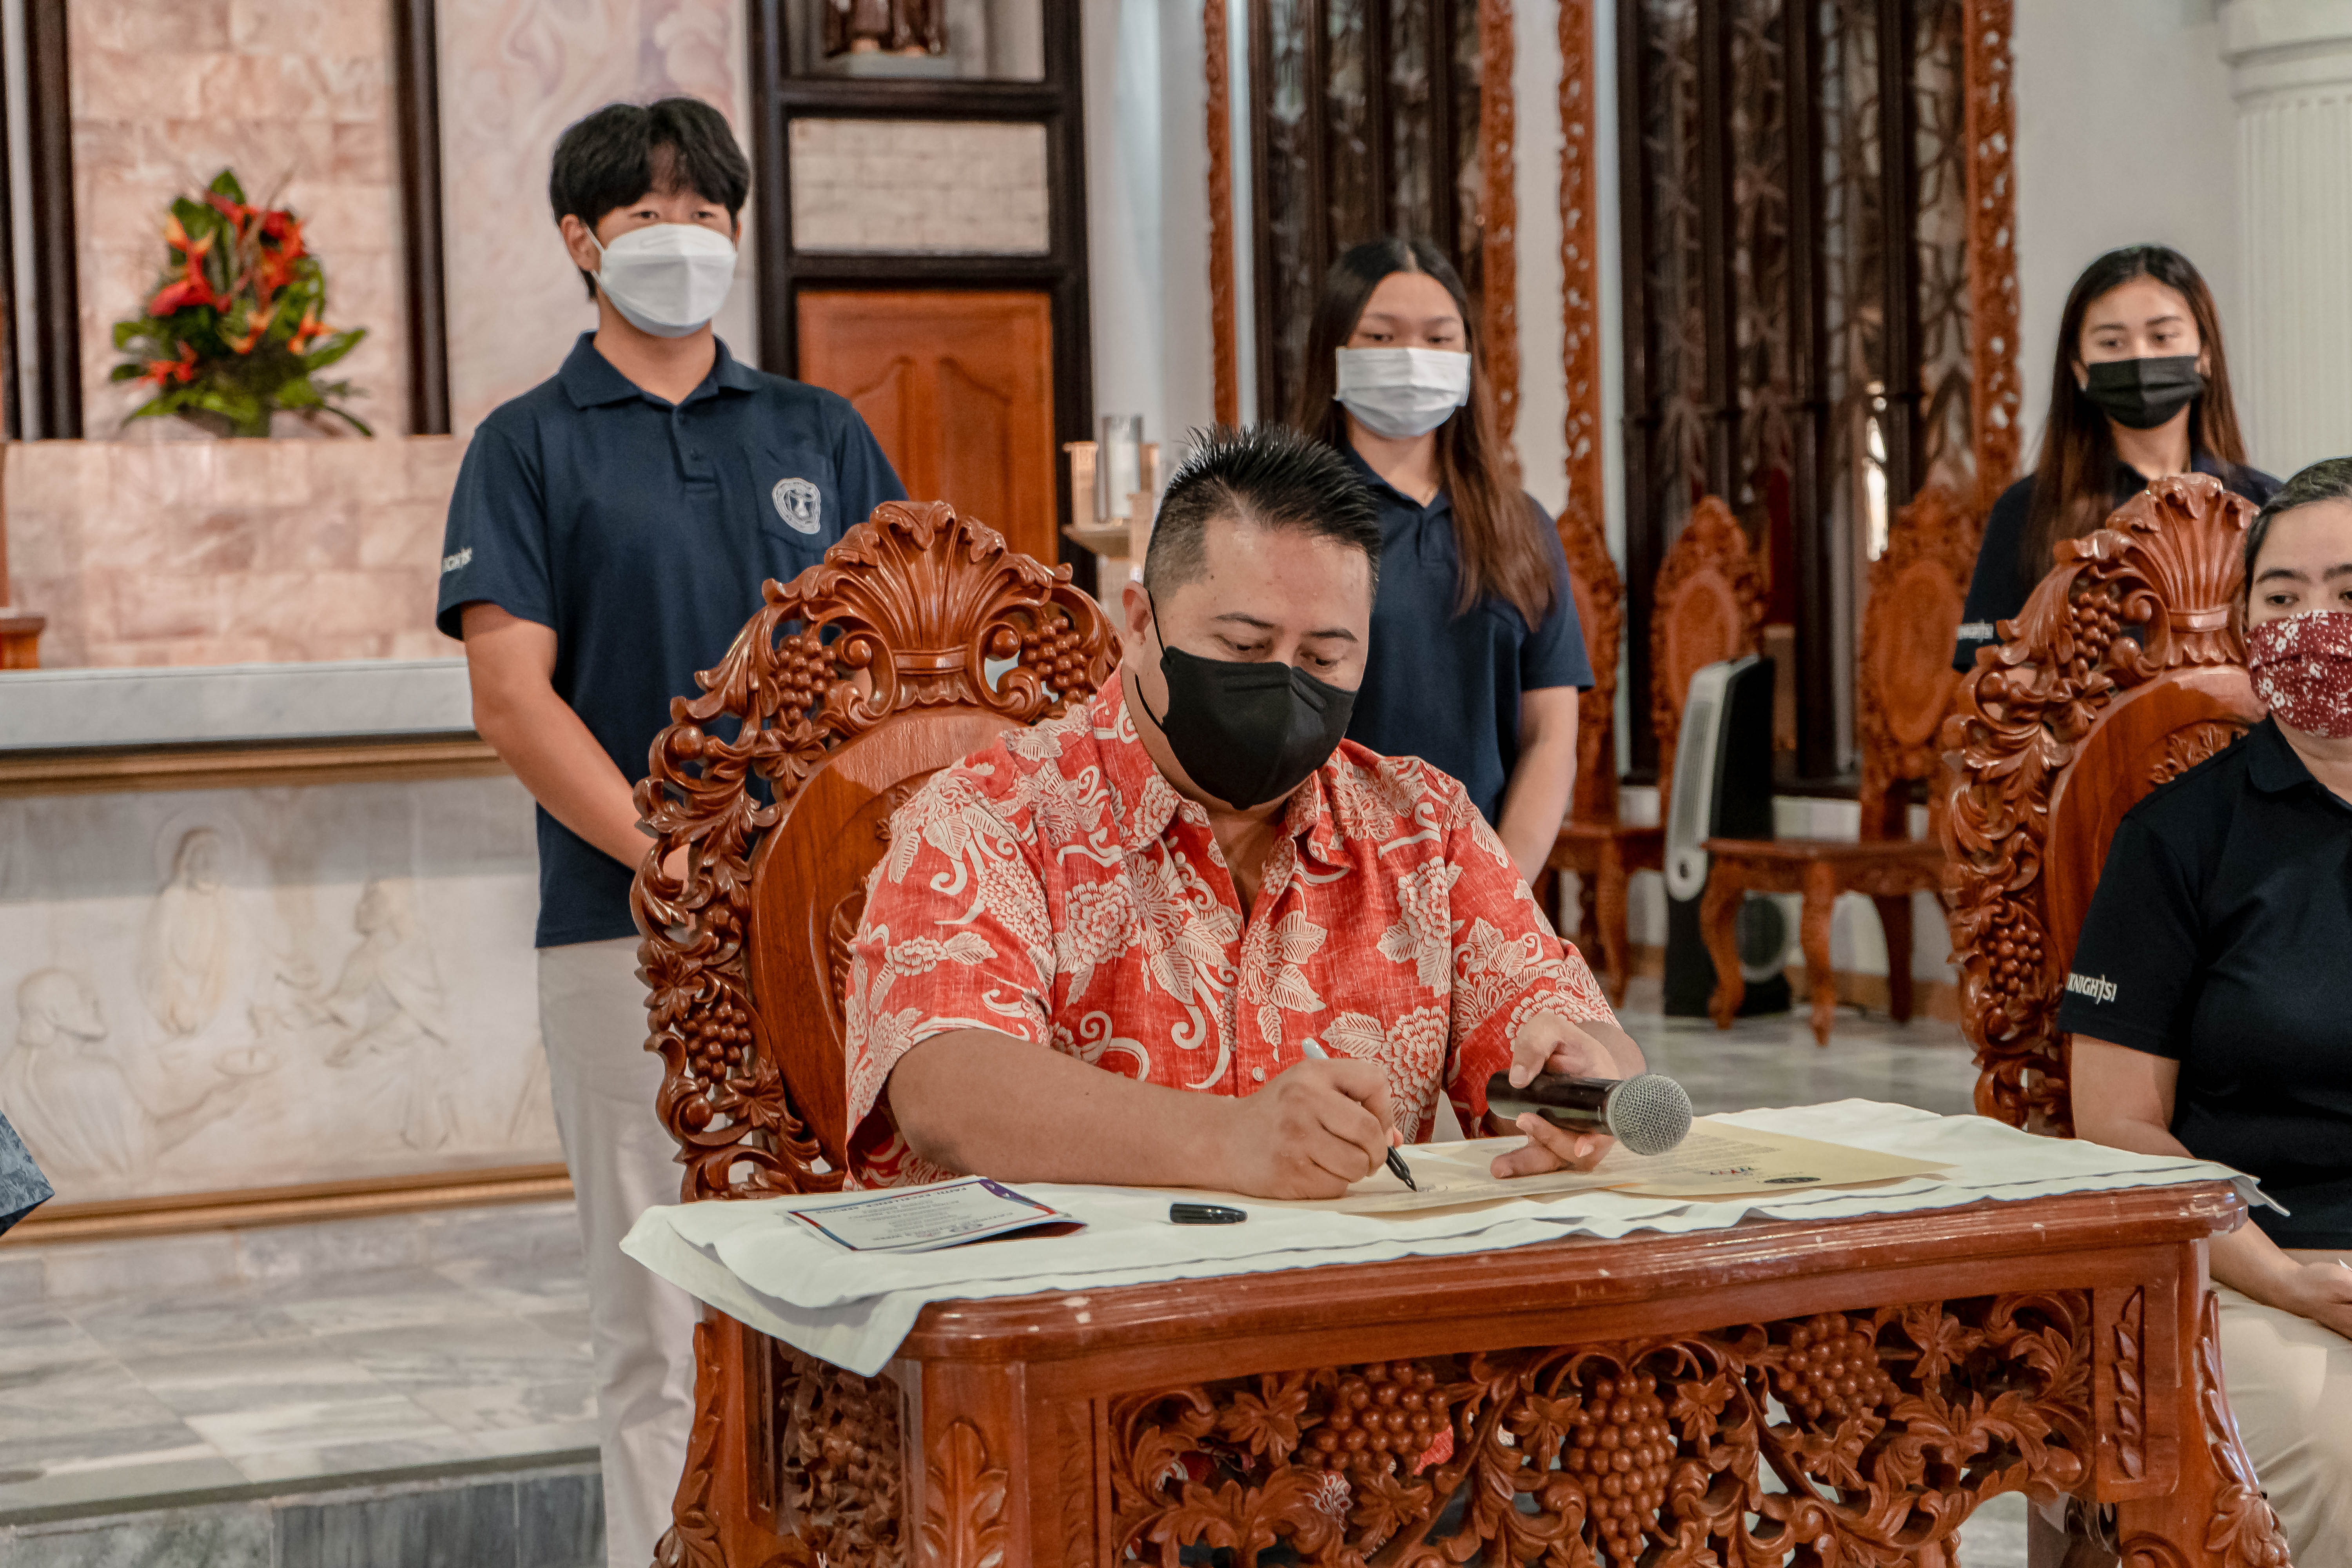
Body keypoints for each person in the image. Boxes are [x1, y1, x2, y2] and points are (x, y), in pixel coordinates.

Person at [435, 98, 905, 1568]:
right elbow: (514, 700)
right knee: (649, 1313)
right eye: (647, 216)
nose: (682, 238)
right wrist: (672, 856)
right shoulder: (525, 446)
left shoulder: (819, 431)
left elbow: (896, 660)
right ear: (581, 242)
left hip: (828, 935)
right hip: (619, 932)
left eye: (705, 212)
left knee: (846, 1278)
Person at [843, 425, 1642, 1196]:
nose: (1286, 684)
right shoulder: (995, 813)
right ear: (1143, 623)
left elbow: (1571, 1029)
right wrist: (1229, 1140)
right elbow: (946, 1085)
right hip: (1069, 1309)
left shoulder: (1422, 825)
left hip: (1347, 1310)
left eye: (1325, 657)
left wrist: (1589, 1079)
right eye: (1244, 647)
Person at [2062, 457, 2352, 1562]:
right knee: (2339, 1457)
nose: (2315, 623)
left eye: (2349, 592)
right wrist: (2281, 1274)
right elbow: (2118, 1128)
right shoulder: (2179, 838)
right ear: (2246, 626)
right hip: (2242, 1272)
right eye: (2282, 598)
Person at [1290, 238, 1592, 884]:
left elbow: (1550, 735)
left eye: (1438, 338)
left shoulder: (1519, 526)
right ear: (1335, 353)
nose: (1411, 358)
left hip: (1482, 877)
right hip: (1326, 877)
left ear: (1467, 358)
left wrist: (1500, 888)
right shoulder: (1287, 518)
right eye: (1380, 336)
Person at [1953, 245, 2277, 670]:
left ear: (2205, 355)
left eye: (2163, 337)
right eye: (2112, 342)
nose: (2140, 357)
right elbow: (1986, 682)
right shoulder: (2025, 511)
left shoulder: (2266, 506)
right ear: (2079, 369)